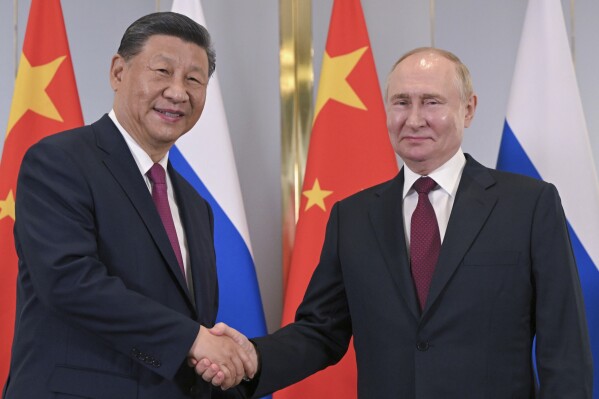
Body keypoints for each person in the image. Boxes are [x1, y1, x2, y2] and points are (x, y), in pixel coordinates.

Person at [202, 47, 594, 398]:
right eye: (401, 102)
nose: (414, 119)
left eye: (432, 102)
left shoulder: (528, 204)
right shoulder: (352, 217)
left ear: (469, 109)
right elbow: (322, 331)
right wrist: (252, 356)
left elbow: (564, 346)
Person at [2, 12, 256, 399]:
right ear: (118, 72)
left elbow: (188, 324)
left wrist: (221, 357)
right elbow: (69, 281)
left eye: (194, 79)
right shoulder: (58, 161)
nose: (177, 92)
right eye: (162, 71)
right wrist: (193, 340)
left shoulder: (195, 204)